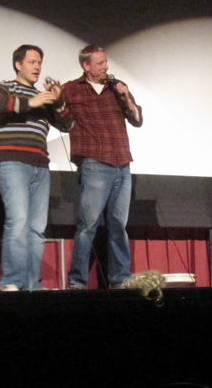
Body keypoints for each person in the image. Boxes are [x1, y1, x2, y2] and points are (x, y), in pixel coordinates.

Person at [0, 44, 73, 291]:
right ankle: (12, 281)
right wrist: (32, 101)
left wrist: (58, 100)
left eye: (39, 63)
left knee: (36, 229)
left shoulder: (43, 97)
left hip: (40, 165)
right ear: (18, 64)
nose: (37, 67)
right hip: (12, 162)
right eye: (32, 62)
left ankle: (33, 285)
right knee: (18, 220)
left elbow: (67, 125)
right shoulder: (7, 87)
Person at [61, 45, 143, 289]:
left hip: (122, 163)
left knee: (118, 225)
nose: (106, 67)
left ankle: (120, 278)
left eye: (106, 62)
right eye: (100, 63)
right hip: (95, 163)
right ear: (86, 66)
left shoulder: (116, 88)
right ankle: (77, 281)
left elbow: (137, 120)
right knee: (88, 225)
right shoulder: (71, 89)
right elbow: (60, 120)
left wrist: (126, 96)